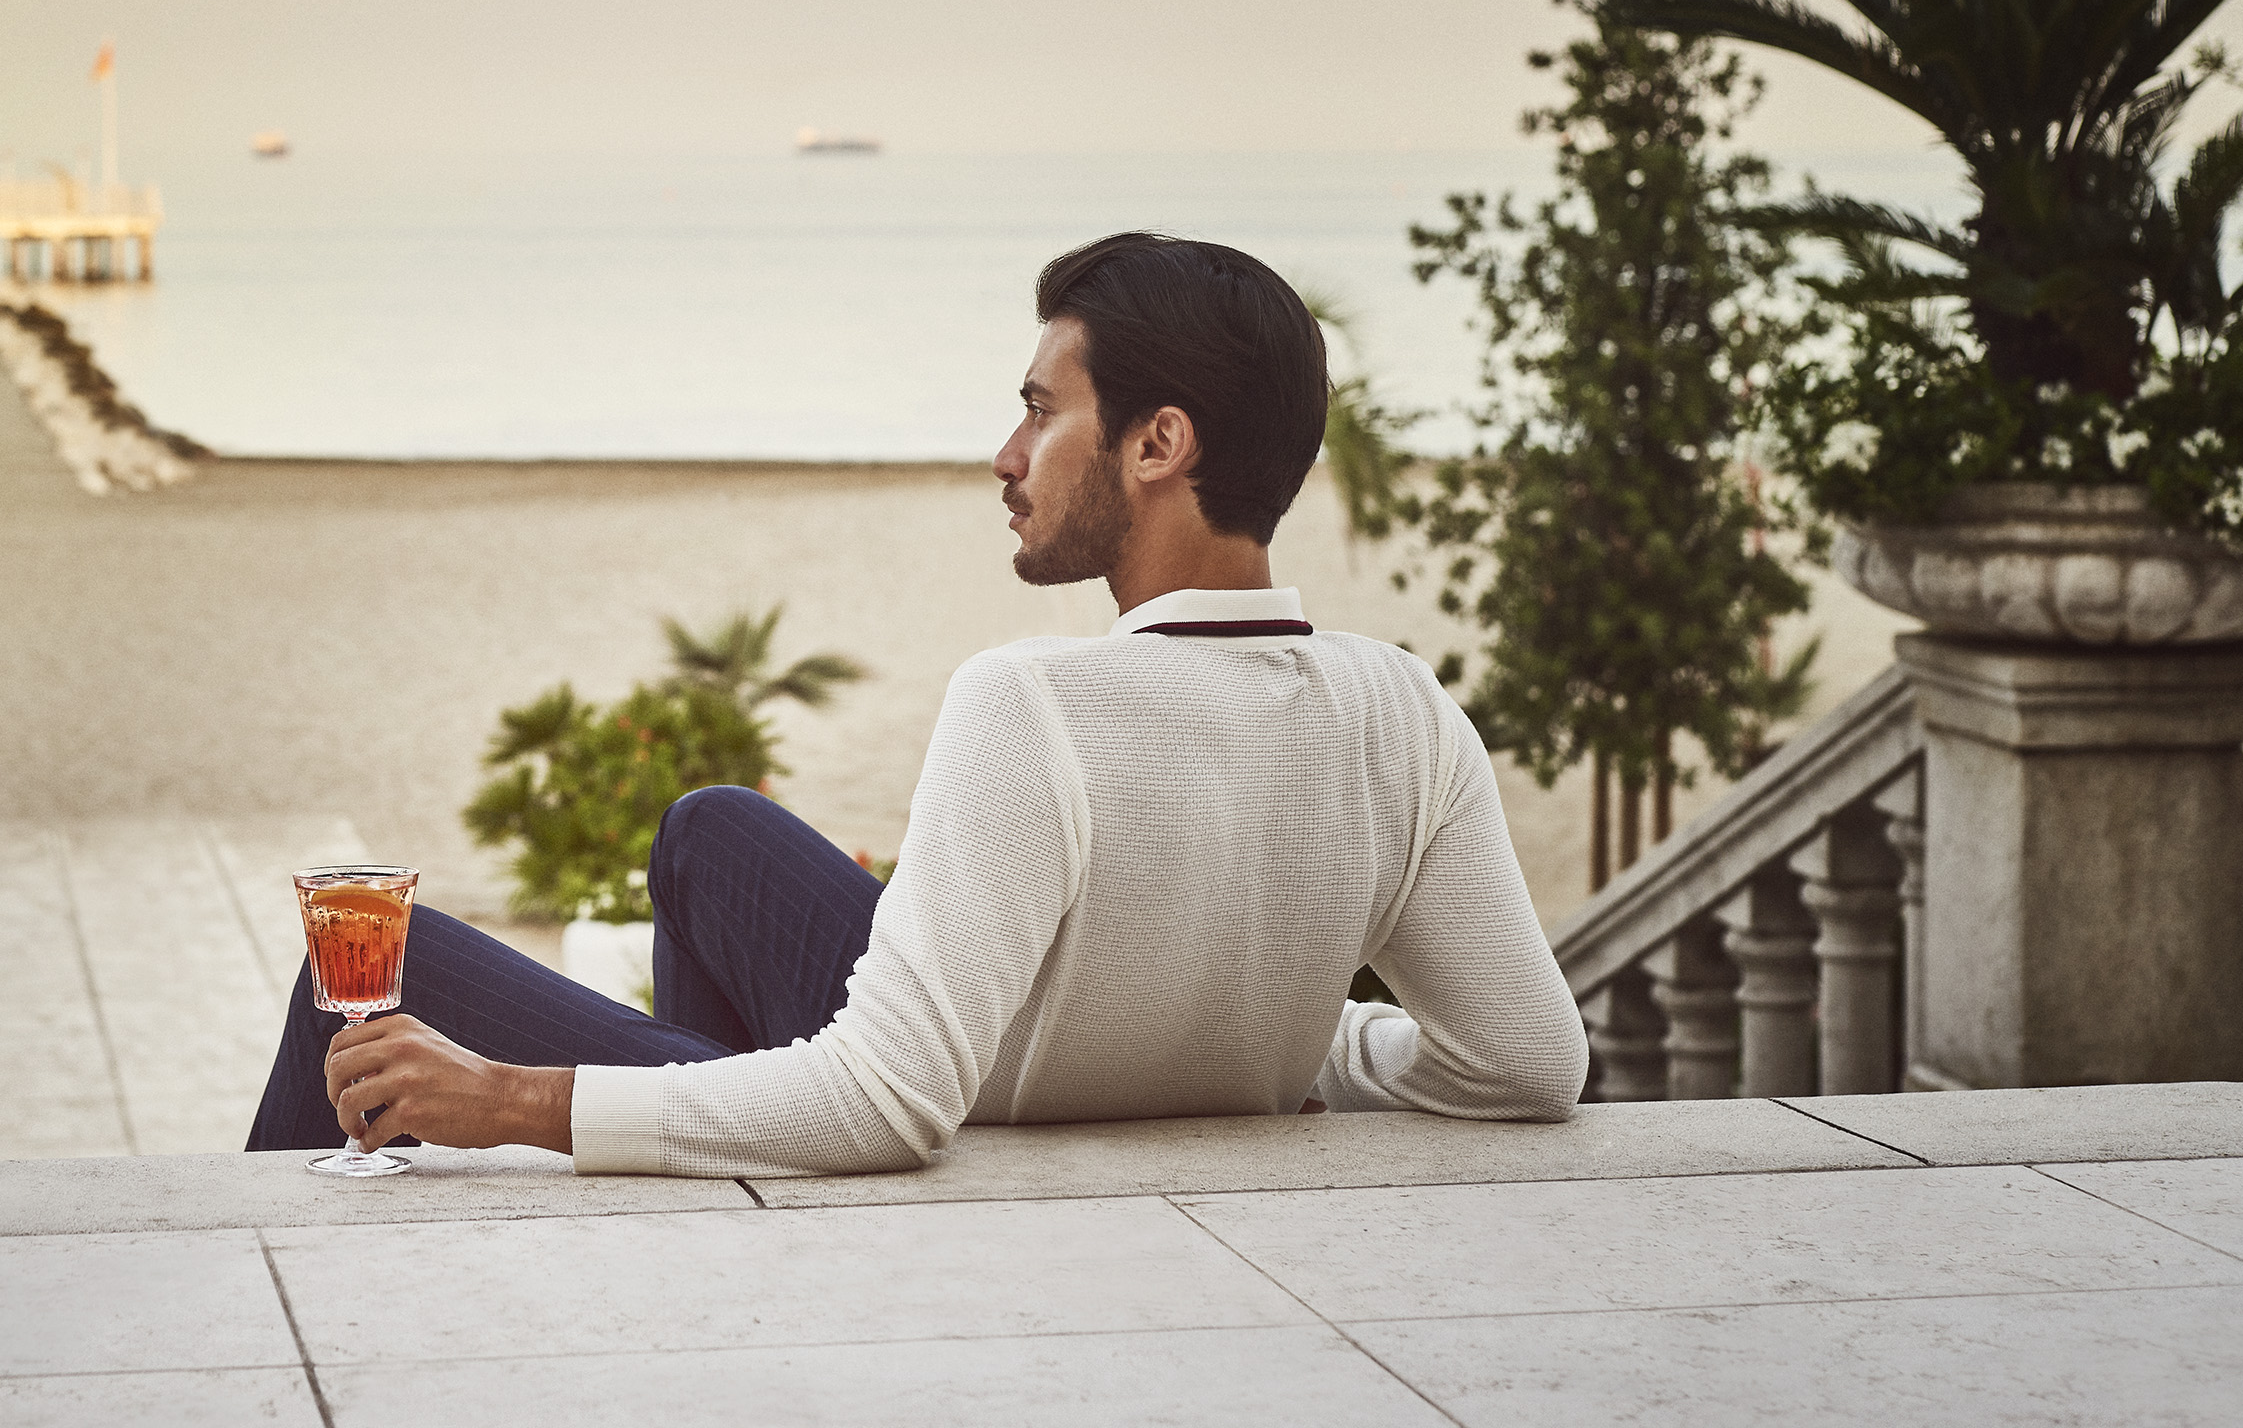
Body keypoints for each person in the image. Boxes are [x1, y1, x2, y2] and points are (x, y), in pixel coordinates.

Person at [245, 231, 1589, 1175]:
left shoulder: (1035, 700)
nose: (1005, 458)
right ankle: (722, 1187)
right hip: (1012, 1032)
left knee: (369, 966)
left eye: (1039, 413)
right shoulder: (1401, 707)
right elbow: (1525, 1059)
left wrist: (508, 1101)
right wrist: (1287, 1038)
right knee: (709, 828)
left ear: (1159, 444)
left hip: (971, 1097)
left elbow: (888, 1099)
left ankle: (710, 1167)